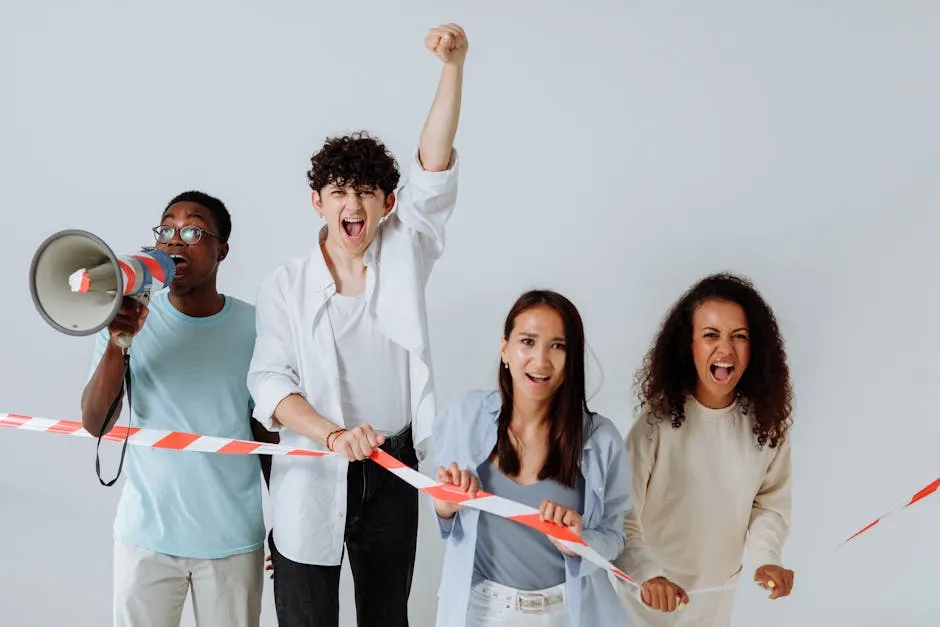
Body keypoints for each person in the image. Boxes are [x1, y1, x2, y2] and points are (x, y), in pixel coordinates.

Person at [246, 23, 467, 627]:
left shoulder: (406, 250)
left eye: (367, 192)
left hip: (393, 471)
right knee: (306, 617)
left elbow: (434, 170)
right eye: (340, 190)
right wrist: (331, 434)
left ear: (386, 205)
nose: (354, 204)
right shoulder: (284, 285)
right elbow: (268, 383)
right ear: (316, 199)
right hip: (310, 468)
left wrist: (453, 68)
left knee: (385, 616)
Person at [80, 190, 270, 627]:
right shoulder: (127, 315)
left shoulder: (256, 327)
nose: (175, 240)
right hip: (145, 538)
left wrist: (285, 524)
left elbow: (269, 436)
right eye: (166, 229)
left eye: (192, 229)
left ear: (222, 249)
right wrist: (117, 342)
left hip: (231, 542)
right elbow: (95, 422)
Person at [431, 289, 632, 627]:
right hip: (482, 611)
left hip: (568, 611)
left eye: (558, 346)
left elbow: (616, 535)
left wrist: (580, 540)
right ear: (505, 348)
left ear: (572, 359)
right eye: (527, 341)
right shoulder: (463, 416)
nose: (541, 361)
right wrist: (445, 505)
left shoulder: (601, 439)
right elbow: (446, 517)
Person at [612, 272, 795, 626]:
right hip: (642, 605)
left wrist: (766, 559)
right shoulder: (655, 425)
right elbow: (620, 515)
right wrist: (648, 575)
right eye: (711, 335)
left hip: (712, 607)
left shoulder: (766, 426)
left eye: (738, 337)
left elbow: (769, 505)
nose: (725, 350)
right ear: (689, 345)